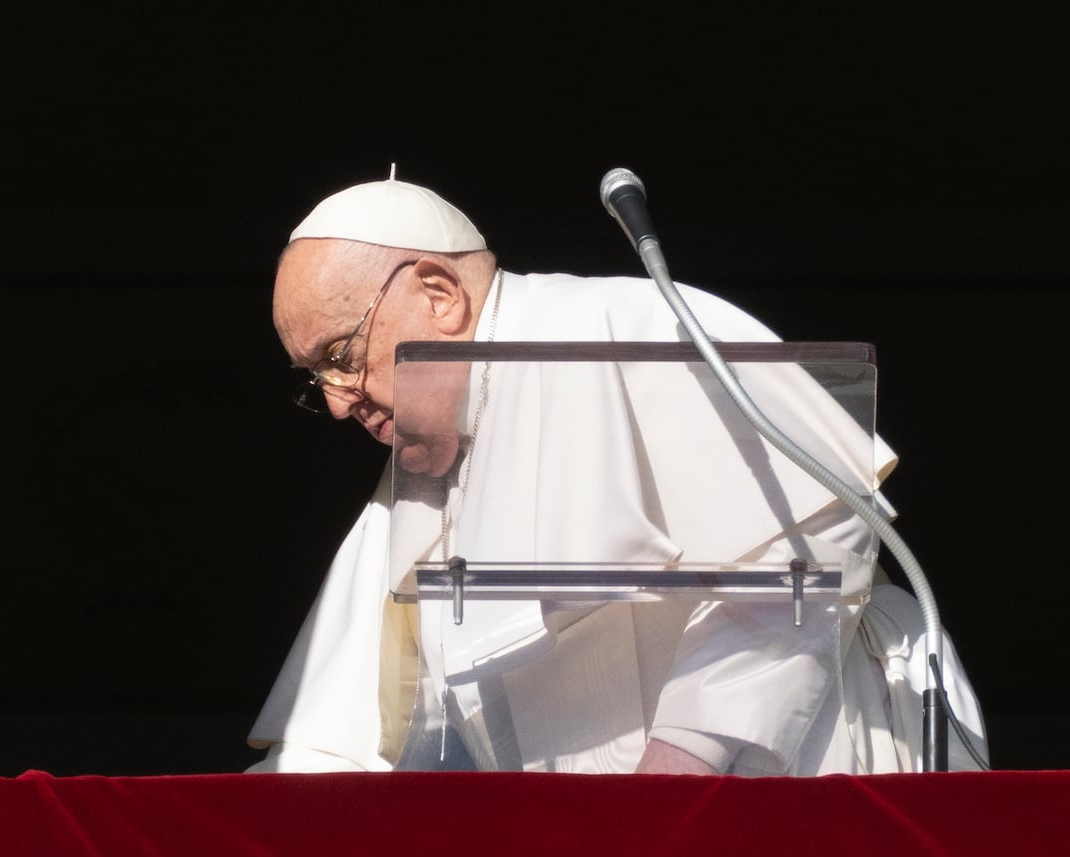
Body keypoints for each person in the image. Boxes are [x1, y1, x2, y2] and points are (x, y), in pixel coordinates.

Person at [246, 172, 987, 776]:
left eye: (342, 356)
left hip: (767, 800)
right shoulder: (417, 474)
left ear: (439, 294)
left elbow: (819, 518)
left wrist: (687, 755)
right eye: (315, 379)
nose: (338, 403)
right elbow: (357, 730)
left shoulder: (617, 327)